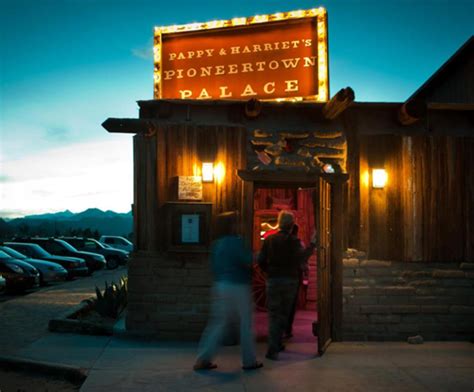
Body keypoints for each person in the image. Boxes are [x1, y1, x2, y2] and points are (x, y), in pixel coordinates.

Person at [193, 211, 263, 371]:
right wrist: (259, 255)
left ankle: (203, 359)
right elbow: (248, 260)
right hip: (239, 286)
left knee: (218, 324)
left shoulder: (217, 244)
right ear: (232, 225)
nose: (240, 225)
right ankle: (249, 361)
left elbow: (214, 267)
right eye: (237, 222)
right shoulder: (236, 242)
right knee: (246, 324)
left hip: (220, 285)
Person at [258, 210, 316, 360]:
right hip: (290, 280)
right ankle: (275, 345)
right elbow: (302, 257)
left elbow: (261, 260)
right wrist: (313, 245)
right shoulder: (294, 241)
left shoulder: (269, 240)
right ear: (291, 225)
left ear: (279, 223)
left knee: (273, 314)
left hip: (273, 280)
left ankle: (275, 344)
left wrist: (268, 272)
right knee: (284, 314)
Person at [285, 223, 310, 339]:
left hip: (280, 276)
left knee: (281, 305)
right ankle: (287, 329)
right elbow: (303, 258)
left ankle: (279, 332)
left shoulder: (275, 240)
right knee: (291, 304)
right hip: (294, 276)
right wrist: (305, 271)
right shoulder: (298, 243)